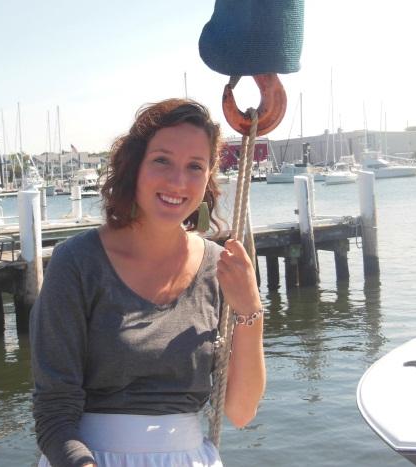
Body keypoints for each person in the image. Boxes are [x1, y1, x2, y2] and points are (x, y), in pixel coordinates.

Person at [30, 98, 265, 467]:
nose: (178, 181)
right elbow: (54, 409)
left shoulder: (219, 267)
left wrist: (251, 310)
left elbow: (241, 411)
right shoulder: (76, 262)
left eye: (195, 166)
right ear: (133, 166)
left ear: (207, 180)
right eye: (162, 160)